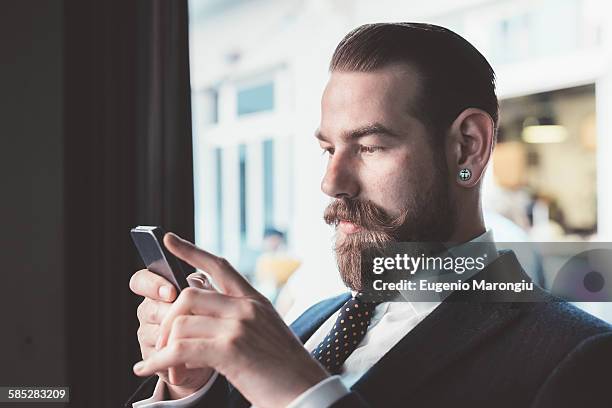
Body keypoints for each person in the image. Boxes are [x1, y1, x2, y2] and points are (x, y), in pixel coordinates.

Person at [125, 23, 612, 408]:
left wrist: (297, 391)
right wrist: (193, 389)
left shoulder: (580, 358)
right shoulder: (315, 320)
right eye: (329, 149)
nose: (332, 183)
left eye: (371, 146)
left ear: (469, 146)